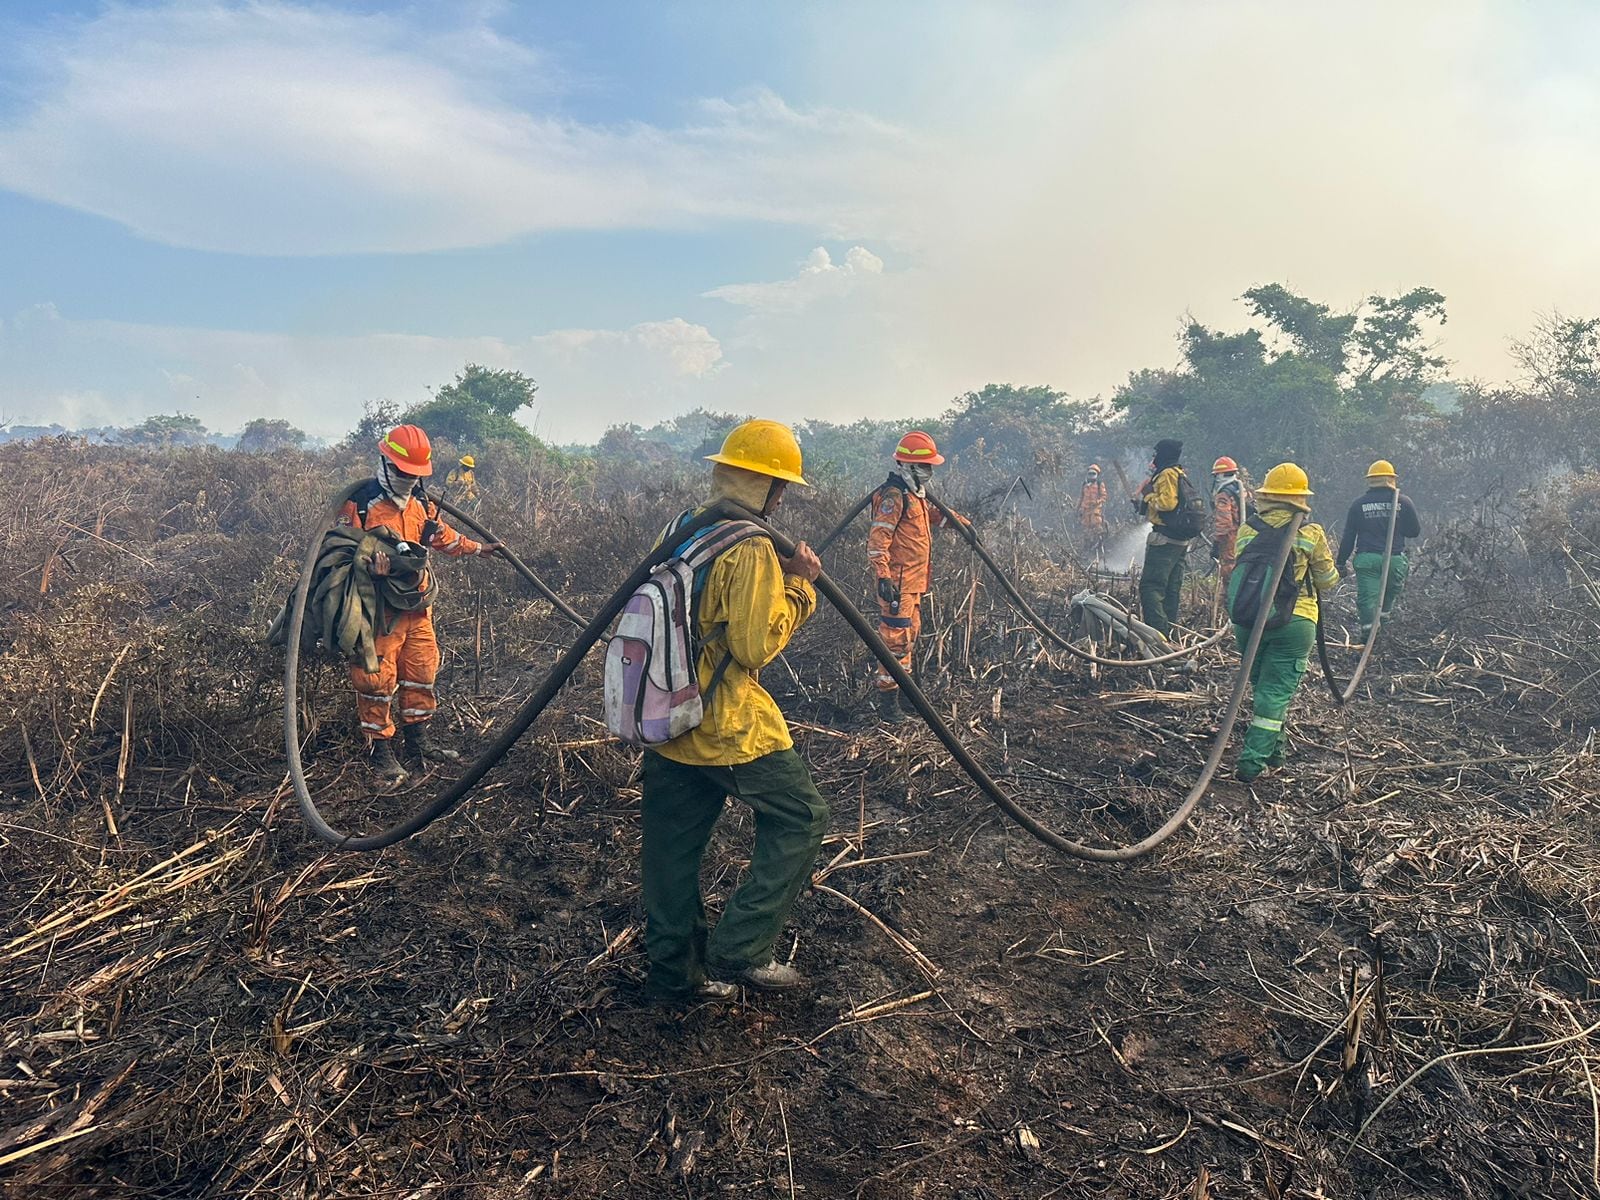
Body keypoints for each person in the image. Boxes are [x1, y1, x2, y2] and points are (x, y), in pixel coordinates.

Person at [641, 419, 828, 1001]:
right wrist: (799, 587)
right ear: (770, 487)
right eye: (783, 487)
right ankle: (743, 947)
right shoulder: (749, 547)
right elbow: (754, 647)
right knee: (803, 817)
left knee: (670, 853)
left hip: (664, 717)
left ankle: (673, 980)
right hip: (724, 726)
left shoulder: (682, 528)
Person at [339, 425, 500, 781]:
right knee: (376, 679)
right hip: (378, 612)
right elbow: (336, 555)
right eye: (402, 472)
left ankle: (418, 742)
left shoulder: (421, 503)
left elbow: (441, 535)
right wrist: (369, 569)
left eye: (414, 474)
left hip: (418, 608)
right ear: (386, 462)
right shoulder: (360, 505)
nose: (407, 479)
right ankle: (380, 753)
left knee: (422, 673)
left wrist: (477, 548)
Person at [1229, 463, 1340, 782]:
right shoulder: (1310, 533)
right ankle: (1251, 764)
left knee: (1265, 688)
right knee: (1275, 692)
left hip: (1248, 621)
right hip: (1295, 623)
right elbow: (1327, 580)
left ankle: (1276, 755)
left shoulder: (1248, 529)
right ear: (1300, 498)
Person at [866, 430, 968, 723]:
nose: (930, 472)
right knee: (895, 643)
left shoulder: (915, 496)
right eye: (926, 466)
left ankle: (908, 697)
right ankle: (888, 705)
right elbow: (878, 540)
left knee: (908, 641)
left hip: (913, 584)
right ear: (909, 466)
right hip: (897, 586)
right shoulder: (894, 496)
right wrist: (883, 577)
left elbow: (934, 516)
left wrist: (963, 524)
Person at [1336, 460, 1422, 639]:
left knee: (1368, 599)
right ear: (1392, 479)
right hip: (1394, 559)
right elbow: (1414, 532)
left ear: (1370, 480)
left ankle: (1369, 636)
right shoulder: (1403, 502)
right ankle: (1383, 629)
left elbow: (1349, 536)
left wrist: (1341, 562)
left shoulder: (1359, 504)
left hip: (1367, 559)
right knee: (1388, 597)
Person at [1134, 438, 1200, 638]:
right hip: (1179, 541)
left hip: (1164, 541)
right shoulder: (1179, 473)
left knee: (1151, 587)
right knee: (1172, 589)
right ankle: (1171, 635)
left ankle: (1158, 636)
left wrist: (1147, 496)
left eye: (1156, 453)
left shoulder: (1166, 474)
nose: (1154, 458)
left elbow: (1167, 504)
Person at [1209, 456, 1251, 587]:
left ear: (1220, 475)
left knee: (1229, 568)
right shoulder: (1241, 489)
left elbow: (1224, 523)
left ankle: (1231, 600)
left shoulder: (1223, 494)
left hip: (1231, 538)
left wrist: (1216, 543)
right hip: (1247, 534)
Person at [1078, 464, 1108, 542]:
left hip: (1096, 509)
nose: (1091, 476)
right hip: (1085, 510)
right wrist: (1078, 508)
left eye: (1093, 474)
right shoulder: (1084, 484)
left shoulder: (1099, 484)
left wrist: (1097, 502)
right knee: (1086, 529)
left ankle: (1100, 542)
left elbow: (1104, 496)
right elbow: (1081, 497)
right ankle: (1088, 545)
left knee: (1097, 526)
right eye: (1090, 474)